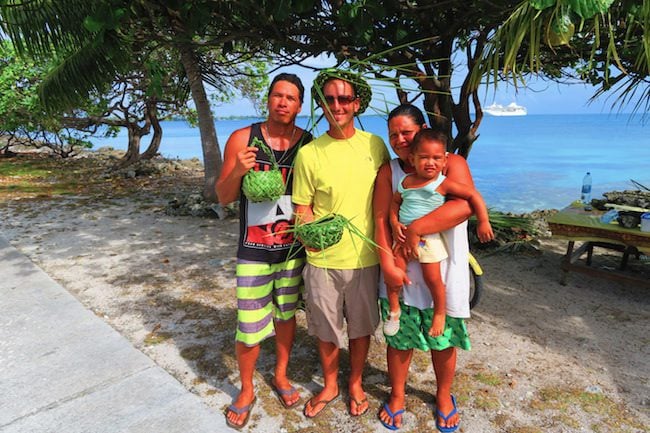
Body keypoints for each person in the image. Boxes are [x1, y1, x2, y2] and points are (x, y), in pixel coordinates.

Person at [215, 73, 313, 430]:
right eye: (278, 95)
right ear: (268, 99)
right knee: (249, 323)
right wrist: (238, 171)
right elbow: (223, 196)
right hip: (254, 250)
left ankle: (281, 375)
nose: (283, 102)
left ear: (299, 106)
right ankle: (244, 389)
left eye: (291, 98)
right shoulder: (244, 138)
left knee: (286, 316)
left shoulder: (308, 144)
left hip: (292, 251)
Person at [292, 70, 389, 419]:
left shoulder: (374, 145)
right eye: (330, 99)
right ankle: (331, 383)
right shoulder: (310, 154)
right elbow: (301, 208)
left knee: (361, 327)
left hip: (365, 257)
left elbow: (388, 197)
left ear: (356, 104)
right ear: (321, 104)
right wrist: (307, 236)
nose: (337, 105)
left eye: (344, 99)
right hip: (322, 261)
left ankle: (356, 383)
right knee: (327, 328)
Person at [373, 104, 476, 432]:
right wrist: (386, 263)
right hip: (401, 269)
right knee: (399, 339)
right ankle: (398, 394)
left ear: (423, 131)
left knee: (443, 339)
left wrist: (416, 228)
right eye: (394, 134)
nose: (400, 139)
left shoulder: (451, 163)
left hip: (442, 271)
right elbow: (379, 218)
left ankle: (444, 395)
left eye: (407, 132)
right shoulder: (390, 171)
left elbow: (463, 207)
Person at [384, 129, 494, 338]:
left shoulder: (442, 183)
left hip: (429, 240)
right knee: (394, 274)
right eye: (424, 158)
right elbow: (395, 201)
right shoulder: (406, 182)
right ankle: (394, 309)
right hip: (403, 236)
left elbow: (472, 195)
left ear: (445, 161)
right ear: (413, 159)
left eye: (436, 158)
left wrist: (483, 220)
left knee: (433, 278)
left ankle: (440, 312)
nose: (430, 163)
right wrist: (393, 220)